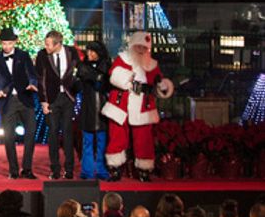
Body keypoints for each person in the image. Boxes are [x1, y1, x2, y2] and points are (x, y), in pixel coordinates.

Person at [103, 31, 174, 182]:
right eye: (138, 47)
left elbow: (157, 82)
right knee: (117, 136)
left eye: (144, 48)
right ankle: (115, 168)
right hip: (121, 103)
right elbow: (113, 75)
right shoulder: (123, 59)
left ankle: (143, 170)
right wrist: (128, 78)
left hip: (143, 105)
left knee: (144, 139)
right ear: (132, 46)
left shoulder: (152, 64)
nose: (141, 50)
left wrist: (162, 86)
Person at [0, 27, 39, 179]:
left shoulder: (23, 56)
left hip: (25, 99)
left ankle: (27, 169)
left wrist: (32, 83)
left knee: (30, 134)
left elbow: (32, 74)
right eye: (4, 43)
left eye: (10, 43)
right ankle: (13, 170)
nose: (7, 46)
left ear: (15, 42)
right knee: (9, 137)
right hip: (8, 101)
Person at [35, 30, 81, 179]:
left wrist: (75, 89)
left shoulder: (71, 52)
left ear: (58, 44)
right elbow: (40, 79)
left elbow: (79, 71)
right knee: (53, 134)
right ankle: (55, 169)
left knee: (68, 133)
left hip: (68, 97)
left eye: (49, 44)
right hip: (52, 99)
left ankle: (69, 169)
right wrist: (44, 101)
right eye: (46, 43)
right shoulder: (43, 55)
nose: (46, 47)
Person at [76, 40, 112, 180]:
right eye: (88, 51)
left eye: (92, 51)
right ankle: (87, 171)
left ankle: (102, 170)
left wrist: (97, 76)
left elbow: (104, 83)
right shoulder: (83, 66)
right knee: (88, 142)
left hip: (103, 108)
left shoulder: (107, 66)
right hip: (88, 107)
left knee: (102, 142)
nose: (89, 53)